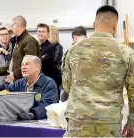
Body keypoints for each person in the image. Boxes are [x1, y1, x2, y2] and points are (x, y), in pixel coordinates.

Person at [63, 5, 134, 137]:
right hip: (109, 122)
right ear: (115, 26)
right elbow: (133, 93)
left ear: (94, 24)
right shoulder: (127, 53)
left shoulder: (73, 50)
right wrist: (132, 122)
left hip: (79, 120)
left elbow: (67, 85)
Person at [0, 55, 57, 120]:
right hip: (22, 120)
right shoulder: (20, 82)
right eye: (22, 64)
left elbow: (48, 105)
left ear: (37, 67)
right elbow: (7, 90)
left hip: (42, 124)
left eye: (27, 64)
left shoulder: (49, 84)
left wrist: (32, 114)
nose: (23, 67)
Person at [61, 26, 87, 102]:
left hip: (73, 95)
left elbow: (66, 79)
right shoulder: (94, 50)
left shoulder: (69, 52)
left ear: (74, 38)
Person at [49, 25, 63, 102]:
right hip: (46, 75)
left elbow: (54, 62)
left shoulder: (58, 47)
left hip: (54, 77)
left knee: (54, 100)